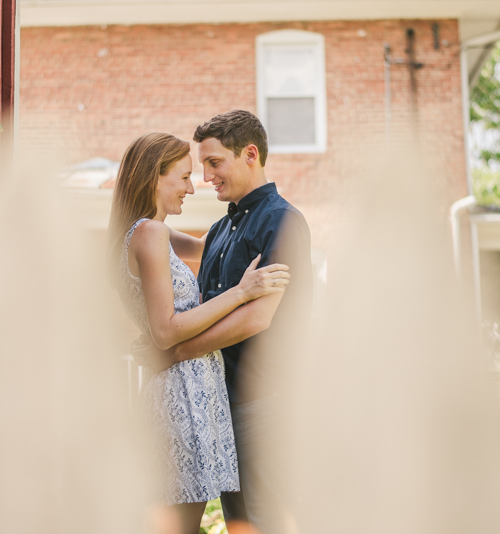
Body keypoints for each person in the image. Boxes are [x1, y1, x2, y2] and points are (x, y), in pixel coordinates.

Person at [135, 111, 313, 534]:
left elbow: (258, 315)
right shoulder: (220, 230)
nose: (207, 176)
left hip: (262, 401)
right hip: (221, 402)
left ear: (250, 154)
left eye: (214, 163)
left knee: (263, 522)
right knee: (240, 524)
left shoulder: (281, 221)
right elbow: (180, 280)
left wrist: (175, 352)